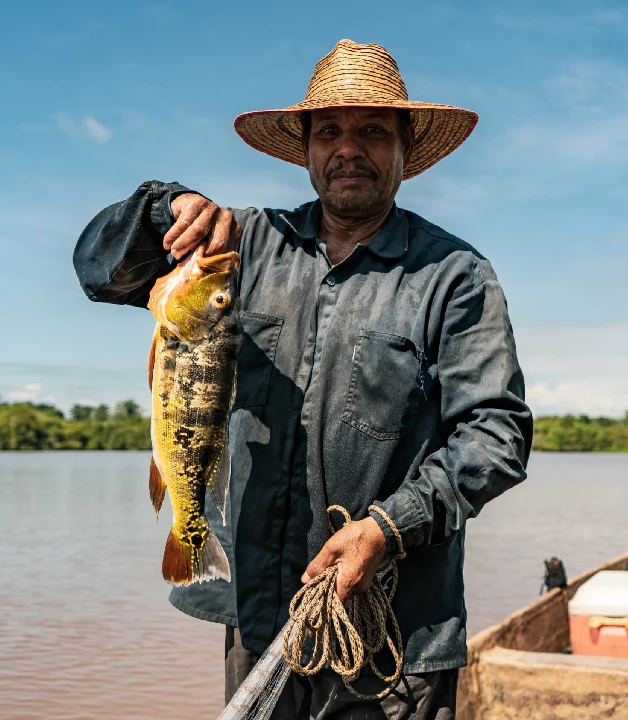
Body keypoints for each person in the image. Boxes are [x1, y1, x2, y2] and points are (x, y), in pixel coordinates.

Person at [73, 39, 531, 720]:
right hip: (258, 617)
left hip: (392, 639)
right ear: (307, 151)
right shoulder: (237, 246)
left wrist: (385, 529)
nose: (350, 148)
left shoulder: (455, 276)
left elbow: (497, 436)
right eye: (330, 132)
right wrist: (168, 208)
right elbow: (100, 272)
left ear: (406, 151)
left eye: (373, 131)